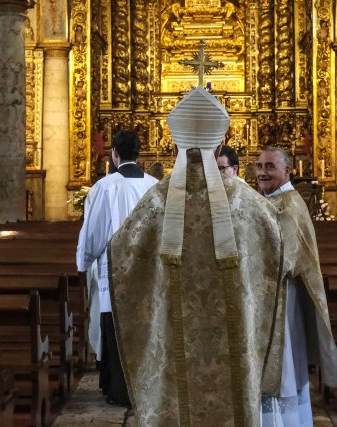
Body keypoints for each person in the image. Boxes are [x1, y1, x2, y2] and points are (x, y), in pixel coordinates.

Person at [109, 87, 291, 426]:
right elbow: (275, 256)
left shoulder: (155, 204)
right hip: (233, 347)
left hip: (173, 346)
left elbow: (122, 256)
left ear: (175, 146)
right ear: (219, 147)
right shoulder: (251, 205)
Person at [255, 146, 337, 427]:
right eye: (259, 166)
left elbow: (284, 259)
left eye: (270, 166)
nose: (262, 172)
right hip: (270, 299)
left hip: (282, 300)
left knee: (284, 367)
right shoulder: (271, 200)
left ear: (287, 171)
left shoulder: (289, 205)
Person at [74, 129, 157, 407]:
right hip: (148, 273)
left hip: (114, 272)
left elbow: (94, 232)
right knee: (144, 326)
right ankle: (145, 388)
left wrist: (84, 261)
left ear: (115, 154)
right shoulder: (155, 186)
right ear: (139, 153)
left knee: (115, 325)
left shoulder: (105, 187)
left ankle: (118, 389)